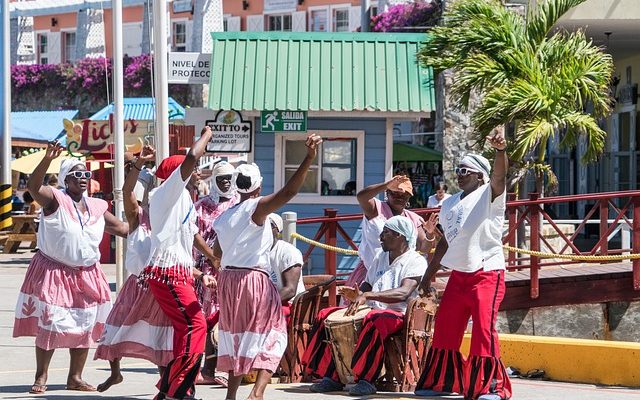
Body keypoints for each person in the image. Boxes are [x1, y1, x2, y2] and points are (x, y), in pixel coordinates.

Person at [13, 140, 129, 395]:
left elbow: (122, 229)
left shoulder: (96, 206)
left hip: (88, 273)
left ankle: (75, 378)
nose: (83, 178)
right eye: (76, 174)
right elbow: (33, 186)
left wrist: (147, 221)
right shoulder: (55, 199)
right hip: (56, 271)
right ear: (66, 179)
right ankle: (41, 376)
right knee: (50, 323)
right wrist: (47, 160)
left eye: (86, 174)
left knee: (85, 325)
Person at [213, 133, 322, 400]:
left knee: (236, 336)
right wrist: (308, 158)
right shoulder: (257, 208)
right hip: (253, 279)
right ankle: (257, 393)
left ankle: (231, 396)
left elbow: (217, 253)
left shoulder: (224, 216)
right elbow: (289, 192)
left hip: (227, 280)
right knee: (273, 334)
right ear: (258, 188)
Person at [415, 129, 511, 400]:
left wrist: (500, 151)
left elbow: (500, 176)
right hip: (460, 274)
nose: (460, 174)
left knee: (483, 329)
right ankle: (441, 382)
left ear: (480, 176)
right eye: (458, 169)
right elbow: (445, 242)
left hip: (487, 272)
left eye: (466, 170)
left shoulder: (489, 195)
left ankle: (491, 387)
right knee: (445, 327)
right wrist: (427, 277)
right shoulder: (449, 204)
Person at [303, 216, 428, 396]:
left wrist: (367, 295)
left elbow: (404, 292)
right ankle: (330, 375)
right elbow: (366, 285)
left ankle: (366, 379)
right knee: (326, 314)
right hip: (371, 310)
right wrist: (358, 294)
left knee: (373, 319)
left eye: (386, 232)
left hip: (399, 314)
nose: (381, 237)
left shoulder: (415, 261)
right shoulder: (380, 256)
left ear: (400, 236)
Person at [138, 128, 218, 400]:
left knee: (186, 329)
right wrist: (207, 134)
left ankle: (171, 388)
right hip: (167, 273)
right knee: (196, 325)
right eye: (190, 171)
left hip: (178, 272)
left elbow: (190, 237)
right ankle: (179, 388)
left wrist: (211, 258)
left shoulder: (183, 198)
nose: (196, 173)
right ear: (176, 174)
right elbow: (194, 155)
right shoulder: (167, 192)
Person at [94, 146, 173, 392]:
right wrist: (138, 164)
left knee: (161, 337)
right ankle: (115, 374)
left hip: (160, 284)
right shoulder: (138, 216)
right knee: (115, 327)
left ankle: (165, 384)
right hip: (137, 284)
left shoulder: (170, 220)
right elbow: (127, 190)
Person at [344, 176, 436, 291]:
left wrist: (430, 234)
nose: (399, 197)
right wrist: (386, 185)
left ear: (409, 198)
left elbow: (424, 248)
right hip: (370, 273)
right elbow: (361, 197)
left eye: (404, 195)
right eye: (395, 193)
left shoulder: (413, 219)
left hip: (399, 275)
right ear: (387, 193)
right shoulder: (376, 209)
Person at [192, 160, 238, 386]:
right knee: (206, 318)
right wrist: (208, 261)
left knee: (228, 317)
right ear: (214, 181)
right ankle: (207, 368)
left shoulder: (240, 202)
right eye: (222, 179)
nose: (226, 183)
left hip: (233, 267)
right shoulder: (200, 206)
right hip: (207, 269)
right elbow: (193, 237)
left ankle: (225, 367)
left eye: (230, 178)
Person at [267, 213, 305, 320]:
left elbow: (290, 290)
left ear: (277, 230)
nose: (263, 229)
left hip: (289, 305)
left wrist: (263, 305)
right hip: (267, 302)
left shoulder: (288, 252)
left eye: (268, 225)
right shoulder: (257, 253)